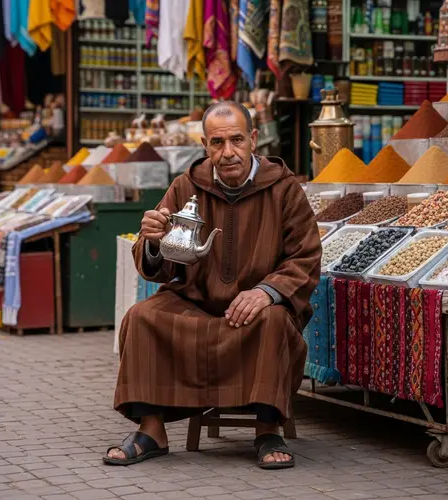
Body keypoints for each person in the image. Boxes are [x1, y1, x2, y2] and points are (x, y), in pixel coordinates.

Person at [104, 101, 321, 470]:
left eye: (237, 140)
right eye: (217, 143)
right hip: (194, 302)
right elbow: (157, 262)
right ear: (205, 145)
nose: (228, 152)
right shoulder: (186, 185)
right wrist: (154, 241)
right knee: (142, 317)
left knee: (274, 323)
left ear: (253, 140)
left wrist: (265, 292)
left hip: (255, 310)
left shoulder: (283, 189)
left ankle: (268, 430)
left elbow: (306, 256)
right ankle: (151, 431)